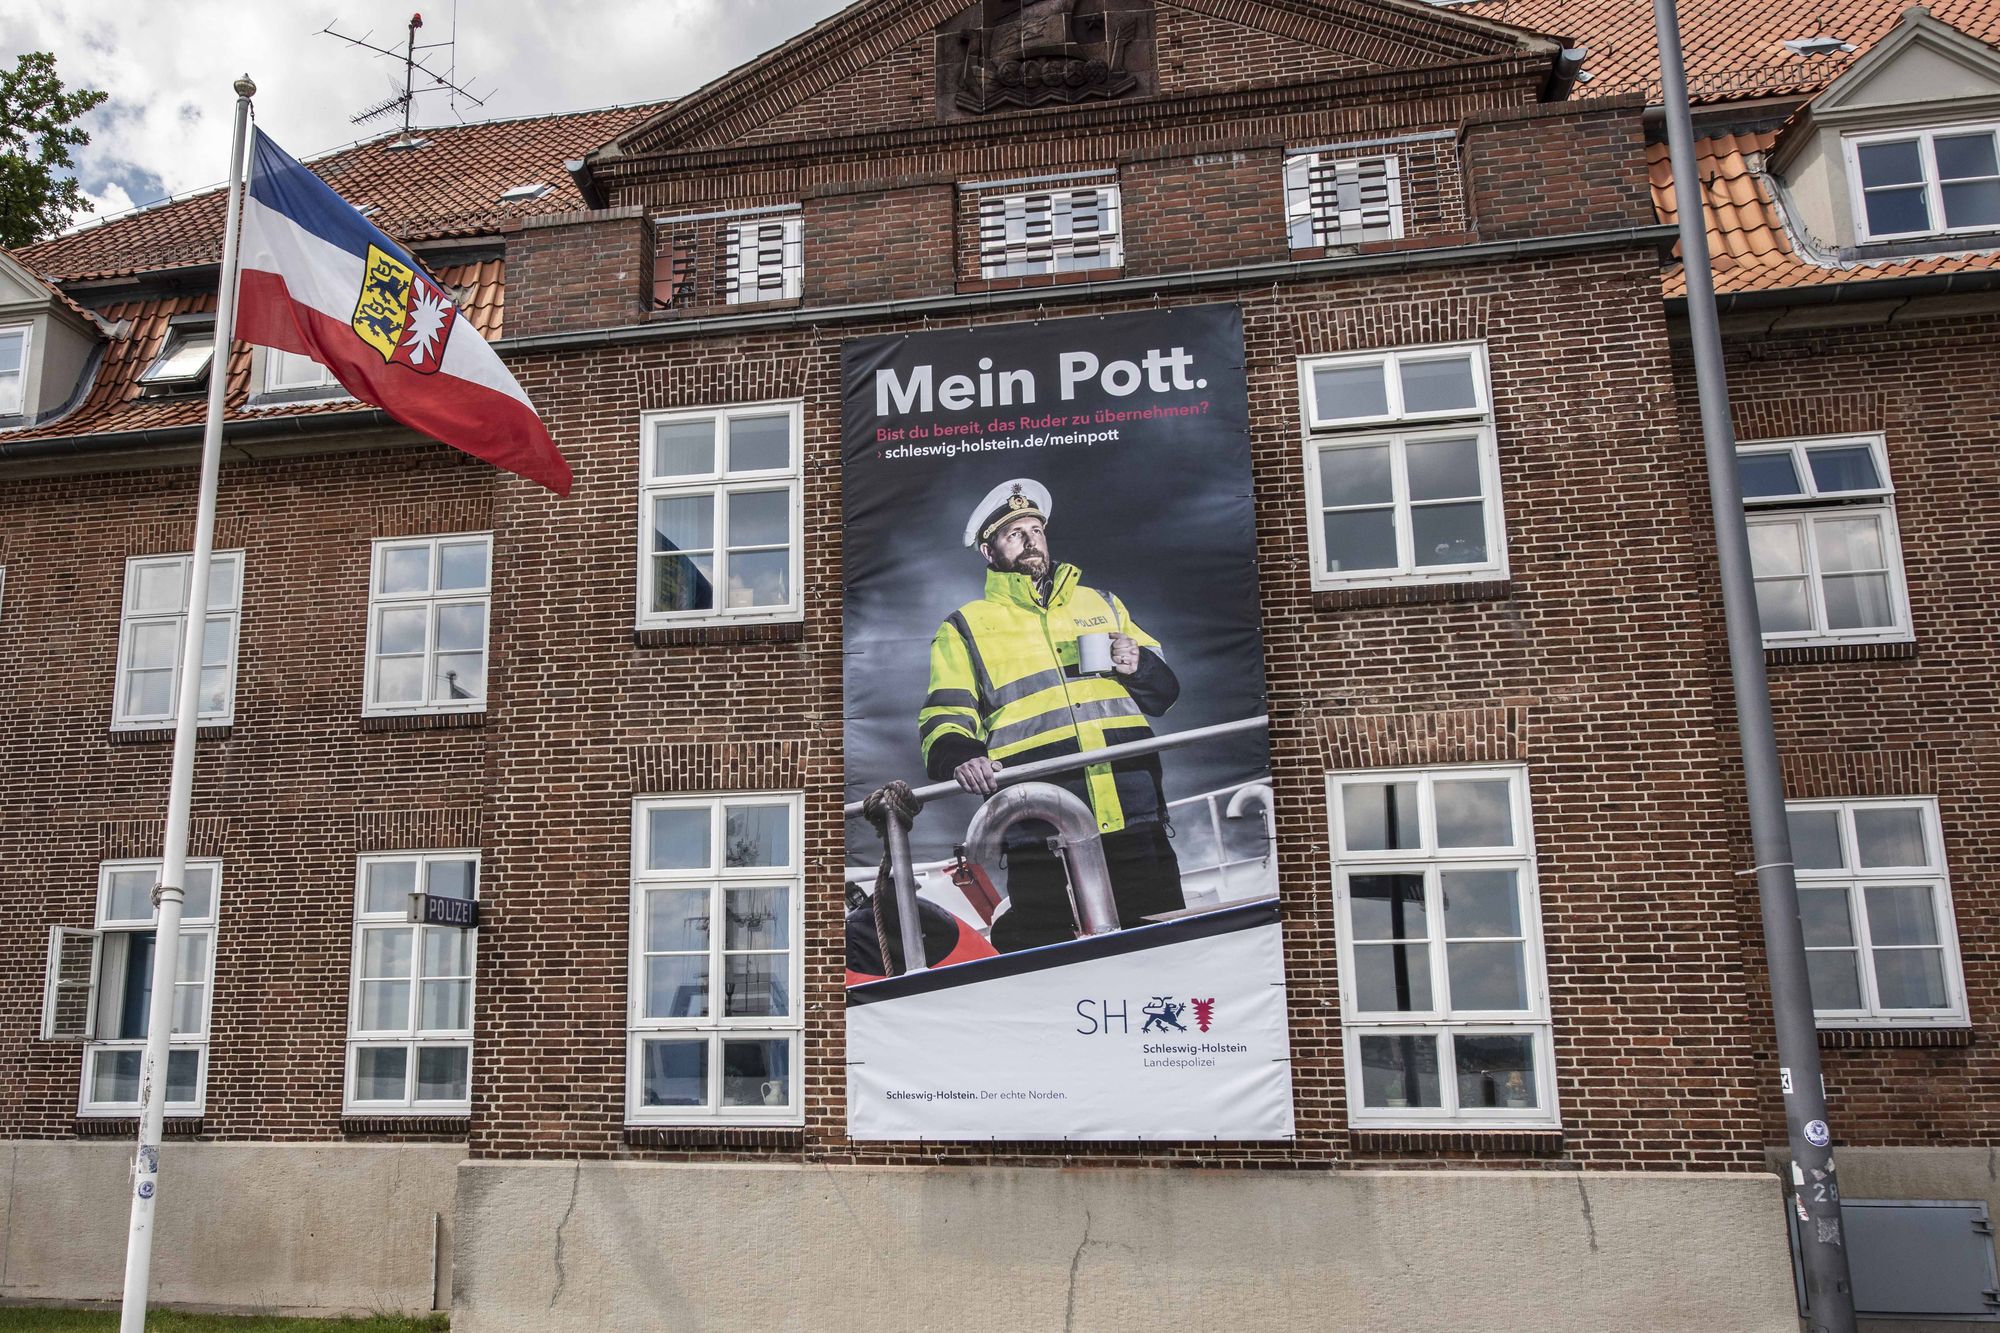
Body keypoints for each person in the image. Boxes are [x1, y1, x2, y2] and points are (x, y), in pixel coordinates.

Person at [919, 478, 1185, 951]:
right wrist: (962, 754)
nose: (1029, 539)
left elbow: (1164, 695)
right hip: (1039, 830)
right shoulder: (964, 627)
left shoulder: (1103, 604)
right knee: (1053, 962)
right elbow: (944, 716)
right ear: (989, 551)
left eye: (1035, 528)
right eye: (1012, 532)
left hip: (1133, 815)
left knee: (1164, 950)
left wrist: (1140, 664)